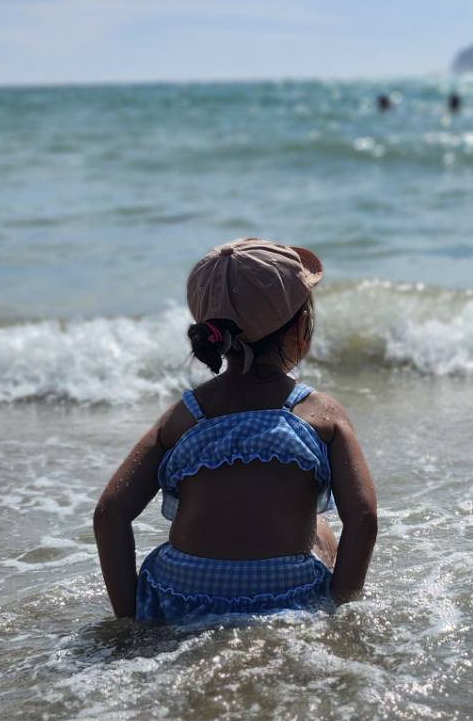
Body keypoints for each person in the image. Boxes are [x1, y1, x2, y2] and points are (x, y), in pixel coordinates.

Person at [92, 238, 379, 623]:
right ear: (301, 327)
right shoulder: (320, 414)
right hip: (284, 595)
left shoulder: (185, 415)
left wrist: (130, 619)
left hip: (182, 598)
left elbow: (110, 513)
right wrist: (340, 603)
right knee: (322, 530)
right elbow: (363, 516)